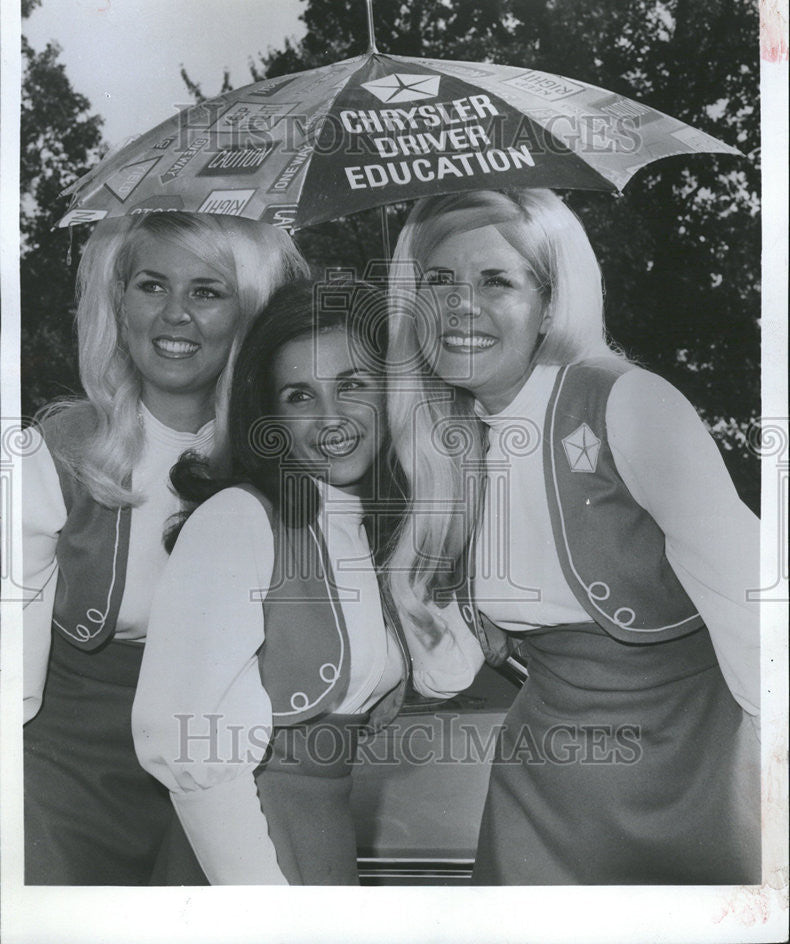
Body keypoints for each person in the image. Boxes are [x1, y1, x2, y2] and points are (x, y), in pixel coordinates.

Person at [385, 188, 761, 885]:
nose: (461, 305)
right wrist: (443, 617)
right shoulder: (437, 440)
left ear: (551, 303)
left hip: (698, 763)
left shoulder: (627, 401)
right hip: (546, 782)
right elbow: (454, 669)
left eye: (496, 280)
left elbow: (757, 609)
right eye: (438, 281)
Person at [132, 277, 482, 885]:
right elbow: (185, 741)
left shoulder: (372, 533)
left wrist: (433, 532)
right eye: (299, 396)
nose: (331, 419)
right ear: (269, 418)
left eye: (352, 385)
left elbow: (444, 673)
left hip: (327, 835)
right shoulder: (237, 519)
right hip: (240, 851)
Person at [22, 211, 307, 885]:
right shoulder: (57, 450)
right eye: (152, 286)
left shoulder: (287, 457)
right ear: (116, 301)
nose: (174, 314)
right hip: (66, 774)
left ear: (251, 312)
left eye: (207, 292)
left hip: (227, 764)